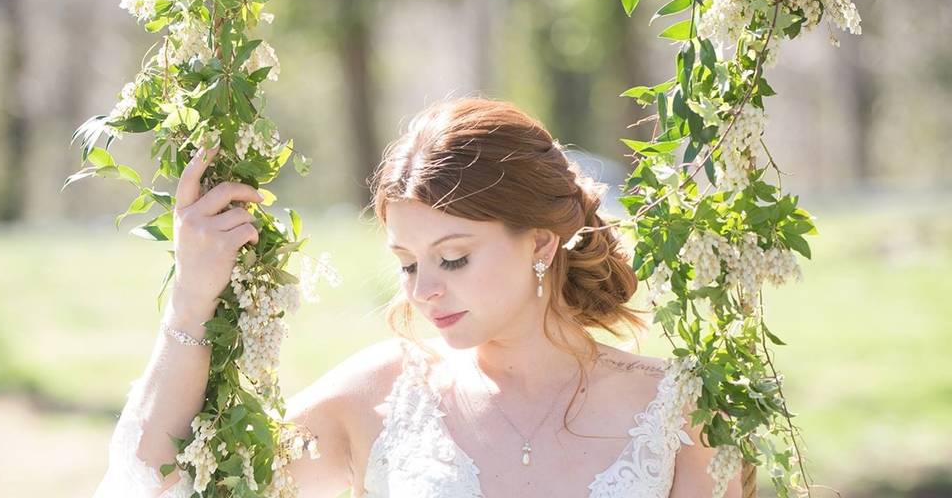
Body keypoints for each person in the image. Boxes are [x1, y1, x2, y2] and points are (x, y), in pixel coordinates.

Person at [94, 96, 742, 497]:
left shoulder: (679, 407)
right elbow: (166, 484)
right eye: (406, 265)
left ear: (541, 244)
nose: (425, 291)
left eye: (453, 258)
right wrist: (191, 298)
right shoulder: (381, 396)